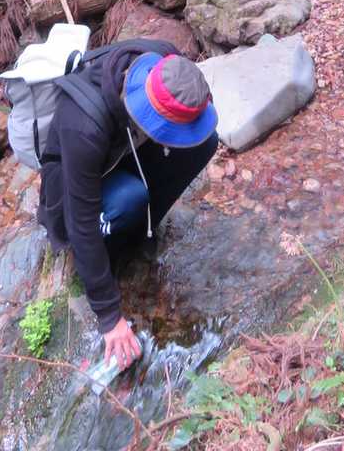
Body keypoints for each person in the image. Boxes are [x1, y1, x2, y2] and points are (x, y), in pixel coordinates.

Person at [37, 37, 218, 370]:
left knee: (205, 142)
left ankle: (142, 227)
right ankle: (116, 240)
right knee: (130, 198)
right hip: (71, 190)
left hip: (120, 153)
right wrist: (109, 317)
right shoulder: (84, 124)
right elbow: (80, 221)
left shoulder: (164, 58)